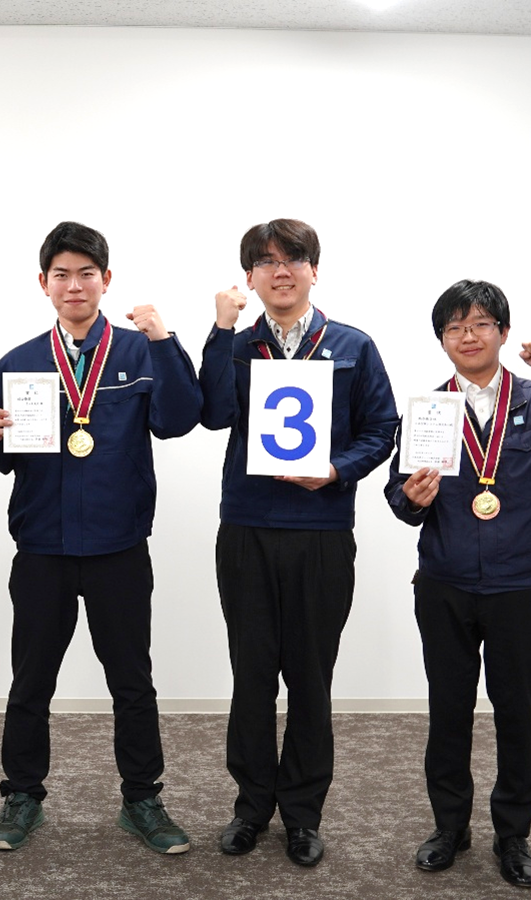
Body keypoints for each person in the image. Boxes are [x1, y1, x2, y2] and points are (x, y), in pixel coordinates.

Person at [385, 279, 531, 888]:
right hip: (445, 584)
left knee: (517, 714)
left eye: (481, 324)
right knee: (448, 711)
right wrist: (411, 499)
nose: (468, 335)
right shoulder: (429, 410)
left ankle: (513, 835)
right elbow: (397, 497)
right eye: (455, 327)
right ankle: (449, 827)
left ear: (503, 333)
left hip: (522, 587)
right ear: (442, 340)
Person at [0, 221, 201, 855]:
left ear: (107, 280)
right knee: (31, 681)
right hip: (42, 549)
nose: (74, 285)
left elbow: (180, 419)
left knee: (132, 682)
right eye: (61, 275)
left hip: (118, 547)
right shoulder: (16, 364)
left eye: (86, 274)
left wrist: (164, 340)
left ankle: (142, 798)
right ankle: (22, 796)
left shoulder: (140, 351)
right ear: (43, 283)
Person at [198, 219, 398, 866]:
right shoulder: (237, 343)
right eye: (265, 262)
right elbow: (212, 413)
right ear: (249, 277)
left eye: (293, 260)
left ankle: (303, 815)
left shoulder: (351, 345)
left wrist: (337, 470)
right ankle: (250, 808)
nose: (280, 271)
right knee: (252, 676)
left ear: (314, 270)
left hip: (320, 532)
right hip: (247, 528)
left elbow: (382, 428)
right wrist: (220, 330)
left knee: (311, 679)